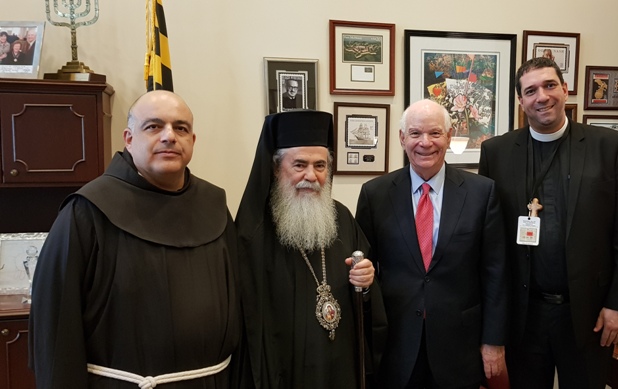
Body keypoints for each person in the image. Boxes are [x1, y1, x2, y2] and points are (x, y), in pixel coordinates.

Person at [28, 90, 242, 388]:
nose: (169, 136)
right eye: (153, 126)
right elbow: (56, 332)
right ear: (129, 139)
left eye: (181, 128)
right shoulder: (86, 212)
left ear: (192, 141)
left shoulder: (215, 206)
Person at [478, 57, 618, 389]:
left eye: (549, 85)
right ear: (521, 101)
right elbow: (487, 241)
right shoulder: (496, 153)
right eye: (531, 91)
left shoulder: (608, 146)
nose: (542, 96)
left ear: (565, 90)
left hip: (588, 315)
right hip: (524, 316)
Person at [355, 99, 507, 389]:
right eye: (415, 133)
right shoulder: (375, 194)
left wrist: (493, 341)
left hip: (459, 346)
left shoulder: (481, 193)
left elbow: (495, 273)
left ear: (449, 137)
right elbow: (364, 271)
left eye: (435, 133)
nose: (425, 143)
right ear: (402, 138)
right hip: (395, 345)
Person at [236, 110, 387, 388]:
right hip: (285, 369)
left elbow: (369, 305)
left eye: (320, 166)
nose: (311, 175)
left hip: (339, 368)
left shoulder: (341, 218)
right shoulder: (254, 233)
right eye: (299, 165)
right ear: (275, 168)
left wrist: (366, 285)